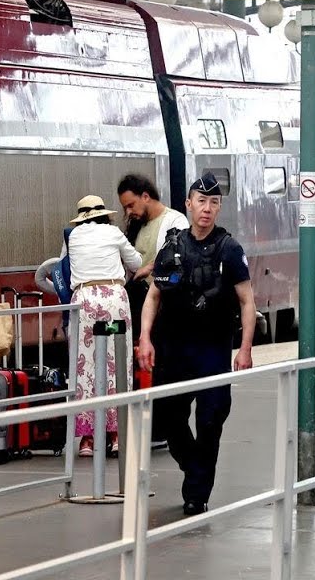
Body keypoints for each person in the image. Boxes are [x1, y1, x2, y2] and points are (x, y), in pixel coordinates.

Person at [137, 172, 256, 516]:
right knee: (169, 418)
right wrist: (145, 337)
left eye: (213, 203)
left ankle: (196, 492)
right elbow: (154, 296)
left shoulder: (229, 249)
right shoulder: (173, 246)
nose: (207, 208)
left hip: (212, 347)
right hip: (173, 346)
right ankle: (194, 466)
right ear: (188, 204)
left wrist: (245, 348)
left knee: (210, 420)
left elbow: (247, 300)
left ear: (219, 208)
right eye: (201, 201)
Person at [63, 195, 142, 457]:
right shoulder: (114, 232)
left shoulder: (73, 236)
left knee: (85, 365)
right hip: (113, 302)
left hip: (85, 303)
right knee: (117, 361)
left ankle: (88, 439)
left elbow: (65, 267)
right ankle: (117, 434)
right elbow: (136, 263)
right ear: (105, 215)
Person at [117, 173, 188, 449]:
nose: (129, 212)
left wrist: (150, 268)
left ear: (146, 196)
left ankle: (160, 429)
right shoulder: (136, 227)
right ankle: (138, 425)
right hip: (138, 303)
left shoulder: (175, 221)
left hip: (163, 305)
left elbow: (177, 258)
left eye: (131, 205)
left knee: (161, 367)